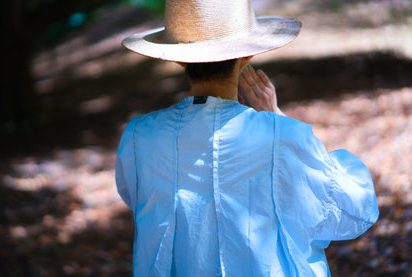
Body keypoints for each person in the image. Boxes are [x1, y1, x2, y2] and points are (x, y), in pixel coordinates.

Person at [115, 0, 379, 276]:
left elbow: (142, 202)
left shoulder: (139, 137)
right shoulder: (284, 136)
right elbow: (355, 209)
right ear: (247, 55)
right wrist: (275, 116)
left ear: (179, 58)